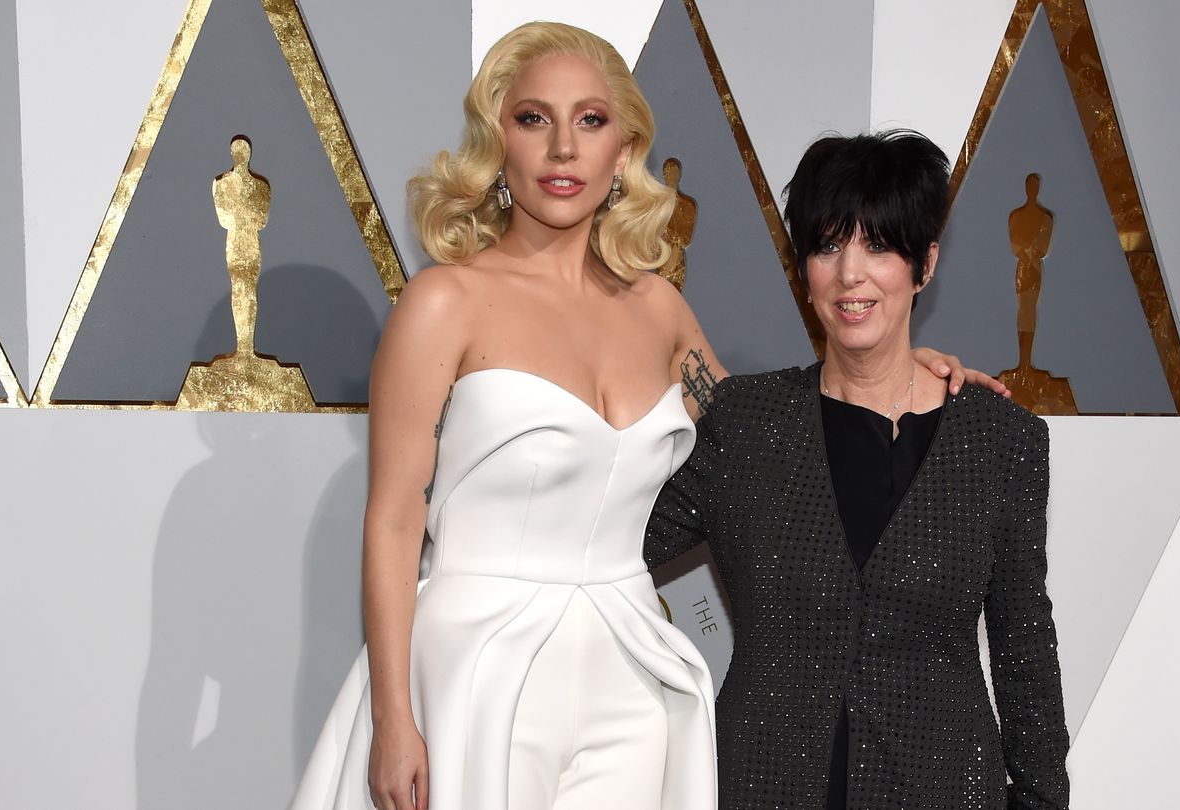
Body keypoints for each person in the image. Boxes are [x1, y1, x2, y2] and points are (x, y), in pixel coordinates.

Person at [292, 23, 994, 810]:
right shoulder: (443, 303)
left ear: (623, 150)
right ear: (498, 142)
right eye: (533, 118)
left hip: (628, 672)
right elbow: (393, 520)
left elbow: (772, 439)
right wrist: (394, 718)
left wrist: (902, 373)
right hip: (475, 665)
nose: (563, 148)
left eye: (590, 120)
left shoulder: (658, 309)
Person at [644, 130, 1070, 809]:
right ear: (803, 269)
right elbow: (608, 546)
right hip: (762, 785)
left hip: (944, 790)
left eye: (877, 246)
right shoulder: (745, 424)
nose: (850, 273)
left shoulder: (1001, 442)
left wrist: (1042, 800)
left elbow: (1025, 651)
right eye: (827, 246)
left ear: (924, 264)